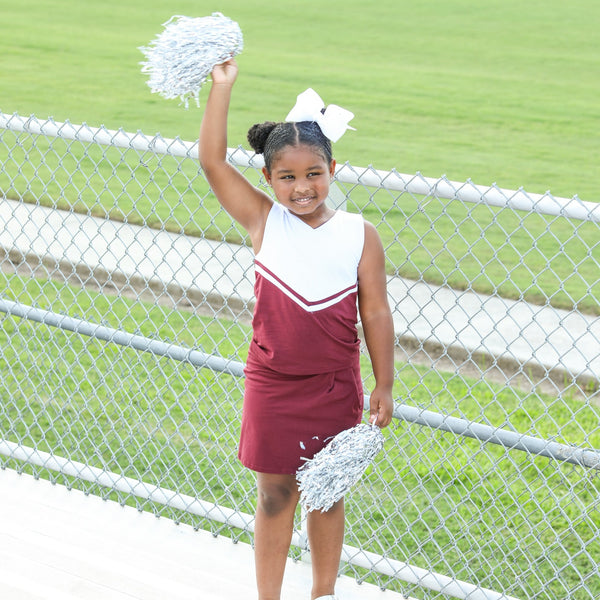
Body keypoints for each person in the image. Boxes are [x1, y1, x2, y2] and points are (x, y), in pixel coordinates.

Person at [198, 58, 394, 600]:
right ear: (267, 178)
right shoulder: (264, 221)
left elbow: (375, 313)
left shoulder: (360, 234)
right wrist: (223, 86)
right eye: (286, 176)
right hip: (273, 385)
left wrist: (384, 383)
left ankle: (323, 593)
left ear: (335, 169)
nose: (302, 187)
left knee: (326, 495)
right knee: (274, 496)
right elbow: (212, 161)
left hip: (333, 387)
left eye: (314, 174)